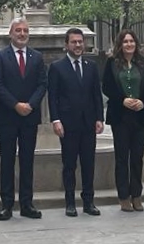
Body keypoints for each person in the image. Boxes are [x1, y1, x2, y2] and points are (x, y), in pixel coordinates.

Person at [0, 17, 47, 220]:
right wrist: (16, 105)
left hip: (29, 118)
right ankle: (6, 204)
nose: (22, 34)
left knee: (27, 161)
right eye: (18, 31)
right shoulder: (0, 57)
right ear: (10, 34)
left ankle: (26, 204)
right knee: (6, 160)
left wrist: (30, 105)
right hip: (7, 117)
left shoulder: (37, 57)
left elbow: (42, 84)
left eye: (25, 30)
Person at [48, 28, 104, 217]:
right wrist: (55, 120)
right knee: (69, 165)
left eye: (81, 42)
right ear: (66, 45)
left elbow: (97, 94)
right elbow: (53, 97)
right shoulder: (57, 67)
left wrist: (99, 118)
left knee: (89, 164)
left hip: (88, 123)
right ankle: (70, 202)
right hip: (68, 124)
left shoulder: (91, 66)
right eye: (74, 42)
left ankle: (89, 202)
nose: (78, 45)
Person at [102, 29, 144, 212]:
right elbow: (107, 86)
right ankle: (124, 196)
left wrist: (143, 101)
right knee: (122, 158)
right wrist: (122, 99)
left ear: (136, 44)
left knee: (137, 158)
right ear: (120, 45)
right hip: (120, 116)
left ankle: (137, 195)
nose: (129, 44)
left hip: (139, 116)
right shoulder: (111, 63)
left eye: (132, 41)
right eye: (125, 42)